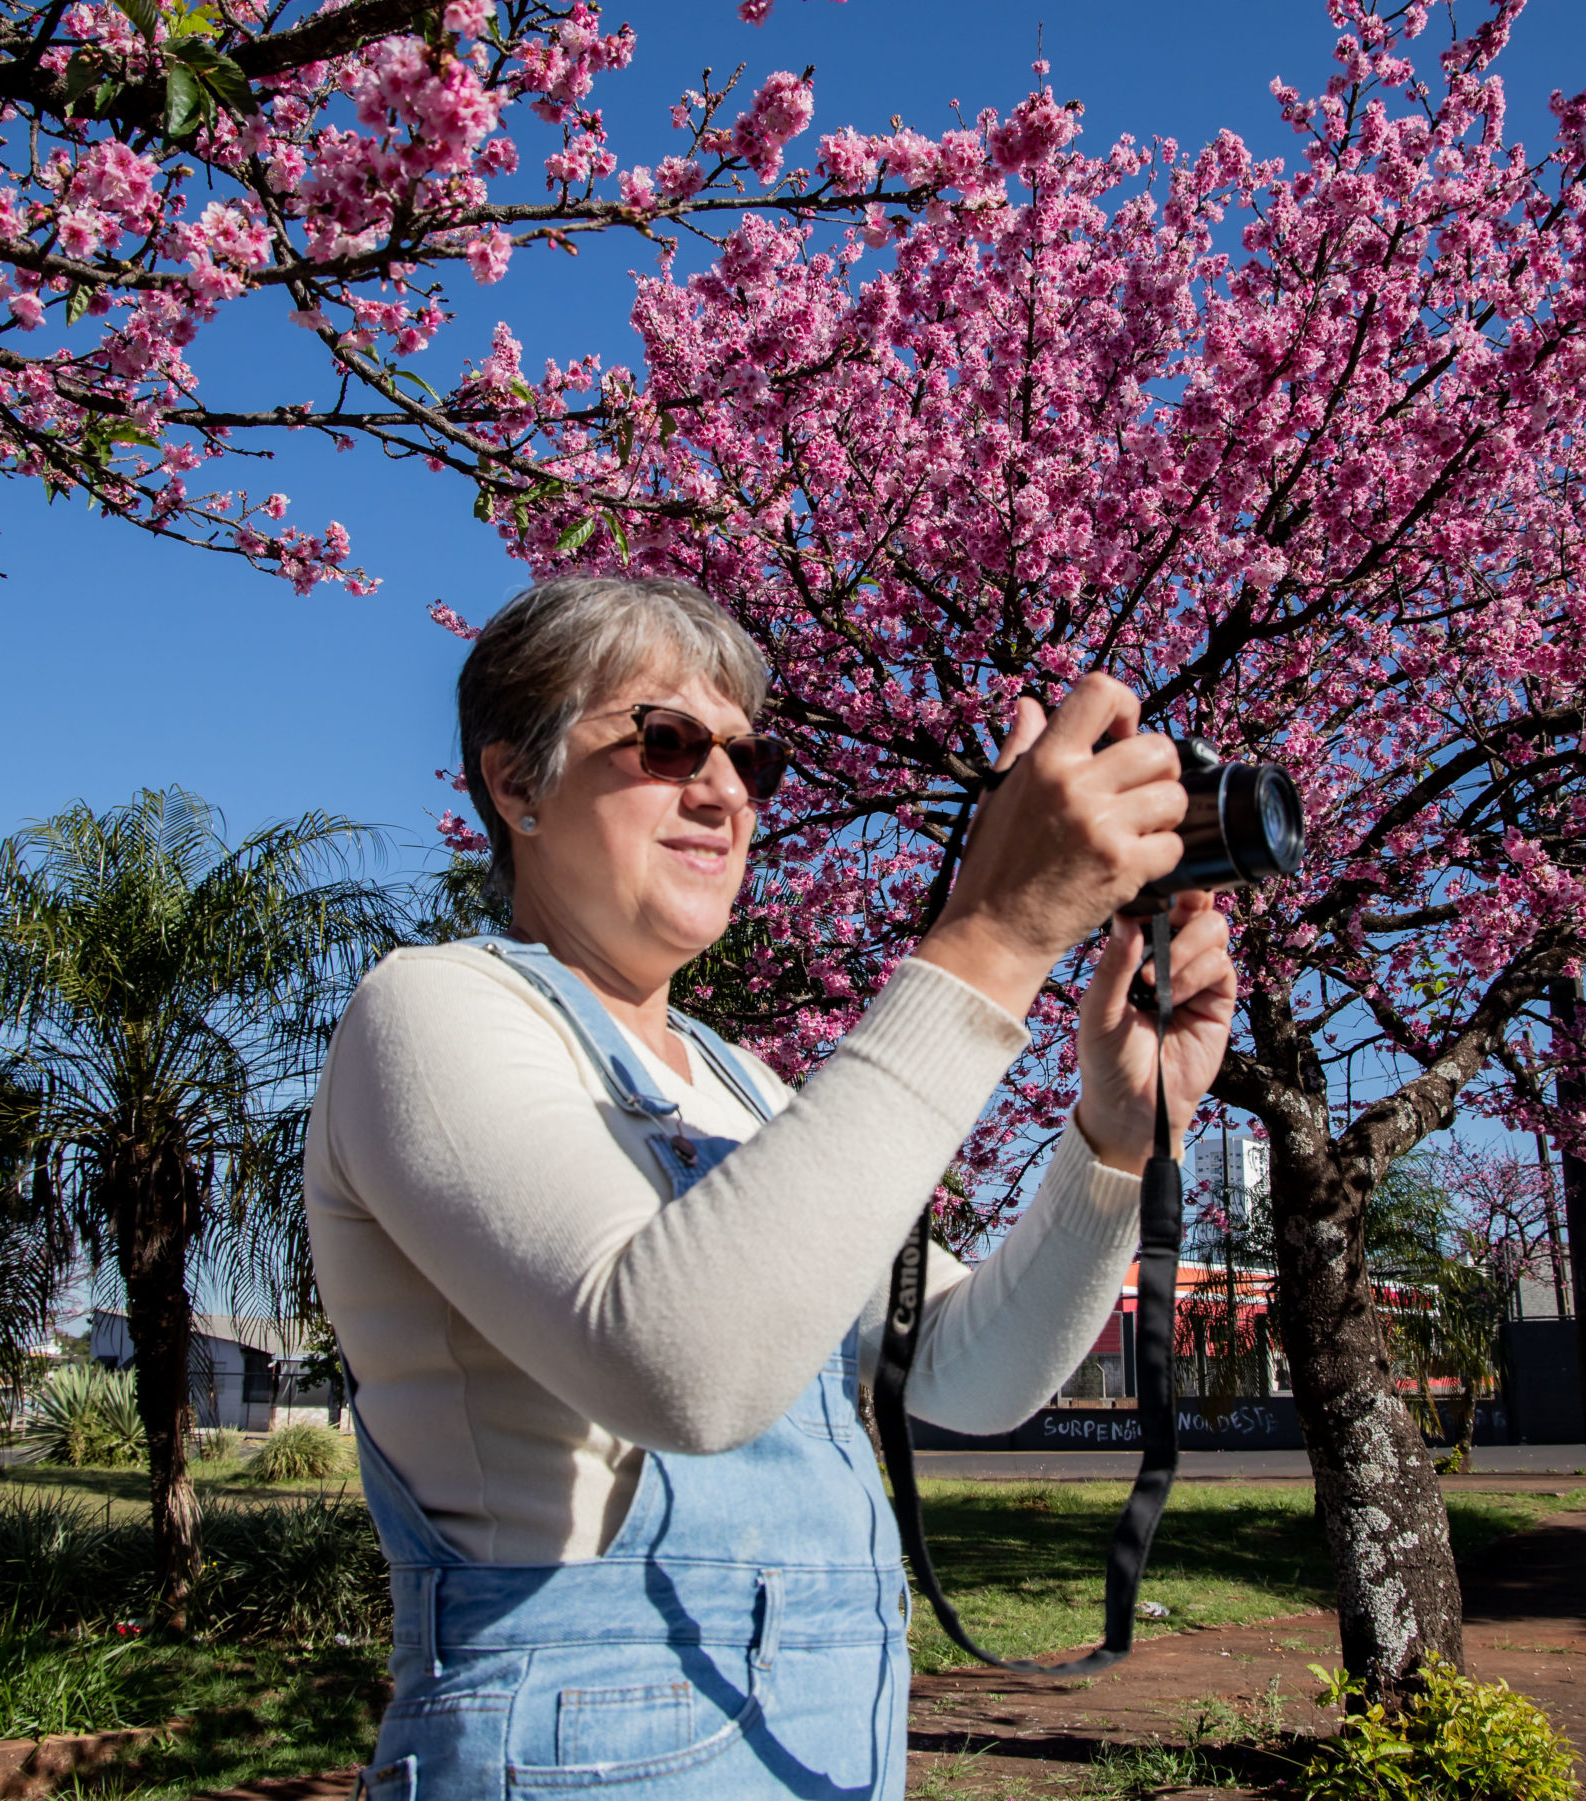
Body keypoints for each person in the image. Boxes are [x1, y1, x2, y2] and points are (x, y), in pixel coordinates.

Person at [305, 575, 1235, 1800]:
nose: (723, 790)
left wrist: (1116, 1135)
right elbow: (680, 1365)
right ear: (515, 783)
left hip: (823, 1753)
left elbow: (966, 1371)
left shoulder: (750, 1088)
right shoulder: (434, 1009)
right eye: (666, 740)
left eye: (755, 757)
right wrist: (993, 938)